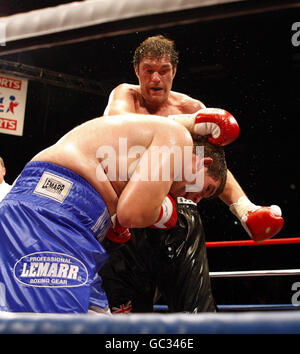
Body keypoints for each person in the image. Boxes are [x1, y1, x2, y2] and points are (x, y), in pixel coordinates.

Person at [99, 35, 284, 313]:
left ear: (175, 71)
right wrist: (186, 125)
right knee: (128, 314)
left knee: (193, 310)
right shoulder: (125, 95)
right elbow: (118, 129)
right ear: (137, 71)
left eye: (163, 70)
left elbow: (210, 168)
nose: (156, 79)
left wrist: (244, 209)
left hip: (176, 217)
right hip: (128, 214)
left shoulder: (192, 108)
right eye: (148, 70)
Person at [0, 113, 230, 313]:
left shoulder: (141, 144)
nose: (195, 199)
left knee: (99, 323)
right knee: (51, 325)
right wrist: (164, 214)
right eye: (205, 189)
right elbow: (133, 212)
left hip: (70, 224)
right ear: (202, 163)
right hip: (50, 213)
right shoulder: (177, 136)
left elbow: (123, 209)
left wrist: (112, 222)